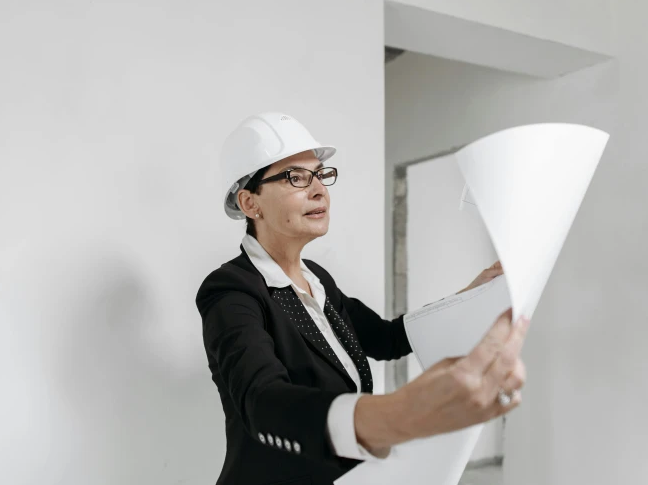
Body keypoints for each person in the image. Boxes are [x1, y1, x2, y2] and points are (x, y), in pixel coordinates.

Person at [195, 113, 528, 485]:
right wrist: (399, 413)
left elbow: (386, 338)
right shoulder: (231, 291)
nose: (320, 190)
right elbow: (263, 402)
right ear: (250, 203)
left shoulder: (317, 279)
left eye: (321, 175)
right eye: (296, 177)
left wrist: (469, 295)